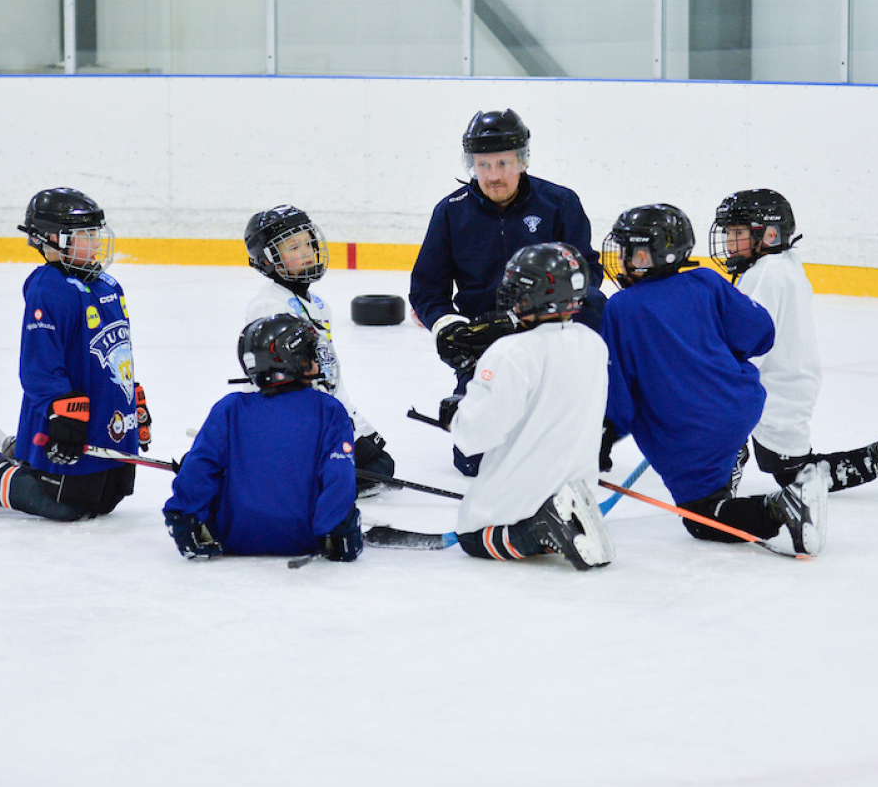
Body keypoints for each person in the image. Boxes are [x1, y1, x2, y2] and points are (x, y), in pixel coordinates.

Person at [599, 203, 829, 556]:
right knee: (712, 474)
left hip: (691, 428)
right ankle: (736, 475)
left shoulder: (620, 307)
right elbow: (760, 334)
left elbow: (620, 395)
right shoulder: (706, 281)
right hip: (742, 404)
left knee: (701, 516)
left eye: (635, 252)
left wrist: (604, 436)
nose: (626, 260)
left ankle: (784, 506)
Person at [708, 188, 878, 499]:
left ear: (770, 235)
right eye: (728, 233)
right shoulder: (783, 263)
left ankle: (716, 490)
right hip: (788, 381)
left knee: (790, 471)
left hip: (777, 391)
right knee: (791, 473)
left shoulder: (767, 275)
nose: (729, 242)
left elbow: (751, 344)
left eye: (738, 232)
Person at [409, 109, 606, 475]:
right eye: (483, 165)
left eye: (503, 163)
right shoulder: (451, 213)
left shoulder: (559, 203)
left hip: (551, 336)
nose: (494, 175)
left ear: (522, 160)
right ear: (471, 165)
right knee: (476, 461)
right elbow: (426, 290)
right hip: (487, 344)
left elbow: (588, 275)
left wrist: (533, 315)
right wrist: (448, 326)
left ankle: (587, 417)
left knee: (599, 306)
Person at [0, 188, 149, 520]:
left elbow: (117, 353)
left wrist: (132, 397)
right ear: (51, 240)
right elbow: (39, 367)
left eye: (95, 233)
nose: (96, 242)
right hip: (69, 419)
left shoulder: (110, 286)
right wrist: (63, 411)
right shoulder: (48, 289)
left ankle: (20, 450)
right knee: (69, 504)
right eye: (84, 235)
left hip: (109, 422)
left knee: (111, 495)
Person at [442, 242, 613, 571]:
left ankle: (541, 526)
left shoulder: (511, 352)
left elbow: (476, 436)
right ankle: (560, 519)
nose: (508, 293)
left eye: (517, 286)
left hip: (513, 502)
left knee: (472, 537)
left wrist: (458, 416)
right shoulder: (592, 342)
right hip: (577, 490)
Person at [162, 314, 362, 561]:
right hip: (306, 538)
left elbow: (199, 468)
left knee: (191, 458)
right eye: (310, 353)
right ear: (295, 361)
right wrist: (335, 529)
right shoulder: (329, 410)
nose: (317, 360)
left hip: (233, 537)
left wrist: (184, 519)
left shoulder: (229, 408)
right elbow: (338, 474)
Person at [244, 204, 395, 497]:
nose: (304, 251)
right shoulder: (269, 308)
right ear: (267, 260)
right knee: (370, 471)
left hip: (323, 410)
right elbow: (277, 387)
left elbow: (328, 375)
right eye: (291, 247)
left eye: (306, 243)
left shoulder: (318, 305)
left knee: (379, 465)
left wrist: (351, 420)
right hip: (292, 419)